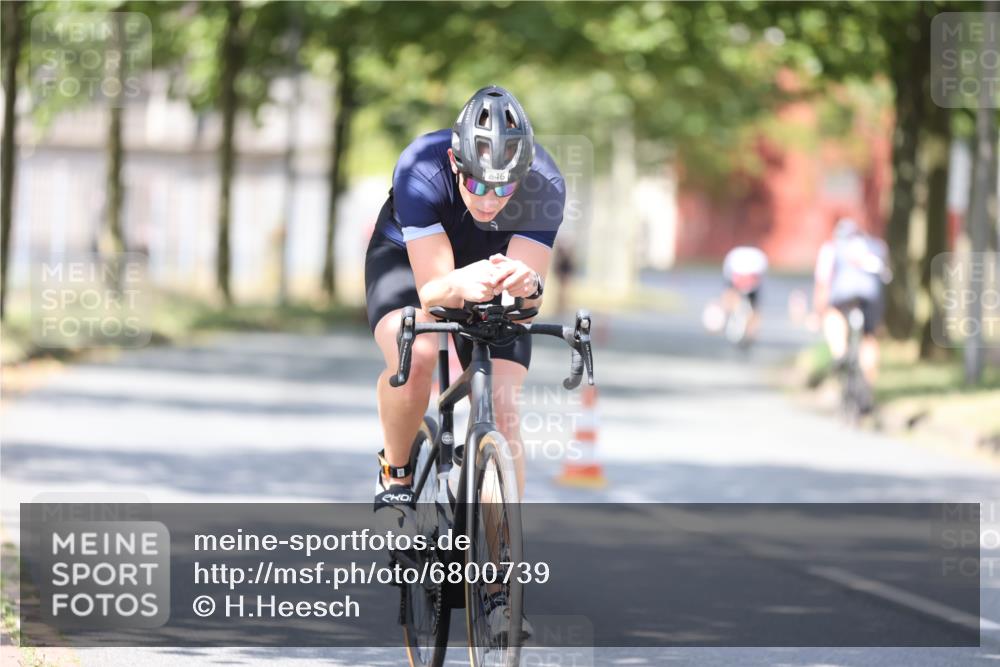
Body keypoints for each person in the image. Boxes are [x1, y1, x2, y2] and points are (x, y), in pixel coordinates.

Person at [364, 85, 565, 639]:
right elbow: (432, 292)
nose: (488, 197)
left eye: (503, 186)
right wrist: (459, 287)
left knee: (502, 402)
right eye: (476, 182)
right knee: (420, 350)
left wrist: (526, 290)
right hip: (411, 261)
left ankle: (502, 581)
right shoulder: (420, 168)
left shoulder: (545, 184)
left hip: (489, 266)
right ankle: (397, 475)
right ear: (456, 162)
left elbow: (524, 306)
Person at [812, 217, 891, 405]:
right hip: (871, 296)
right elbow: (886, 276)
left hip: (843, 294)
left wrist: (818, 312)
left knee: (833, 316)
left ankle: (839, 355)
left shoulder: (832, 248)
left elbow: (823, 283)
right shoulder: (877, 246)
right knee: (869, 338)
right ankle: (868, 389)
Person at [720, 245, 769, 341]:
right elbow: (729, 284)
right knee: (731, 297)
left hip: (750, 280)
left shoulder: (757, 264)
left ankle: (751, 330)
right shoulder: (735, 262)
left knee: (754, 306)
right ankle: (726, 317)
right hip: (737, 277)